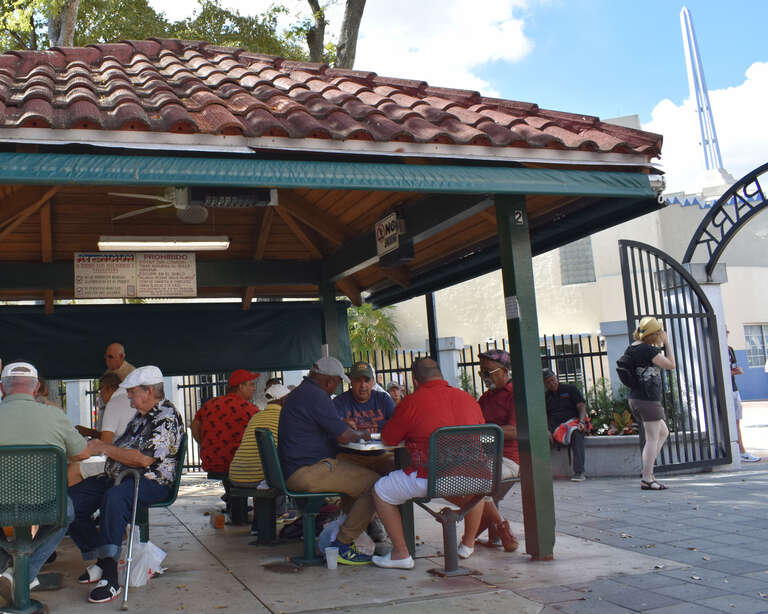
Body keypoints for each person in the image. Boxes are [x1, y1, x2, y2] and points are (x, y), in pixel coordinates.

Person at [68, 365, 184, 603]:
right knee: (69, 503)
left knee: (115, 497)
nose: (128, 396)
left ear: (149, 391)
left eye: (132, 391)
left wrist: (103, 447)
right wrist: (94, 445)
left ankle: (111, 579)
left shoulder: (166, 417)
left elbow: (142, 459)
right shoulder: (140, 417)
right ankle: (102, 560)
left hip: (151, 481)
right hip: (119, 477)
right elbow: (119, 448)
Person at [371, 358, 486, 570]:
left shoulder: (412, 402)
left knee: (381, 491)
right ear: (441, 375)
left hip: (432, 477)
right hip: (477, 476)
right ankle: (468, 544)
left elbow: (389, 440)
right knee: (474, 488)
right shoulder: (468, 399)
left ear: (415, 380)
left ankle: (401, 554)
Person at [0, 361, 102, 591]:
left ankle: (7, 571)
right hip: (45, 504)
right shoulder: (54, 416)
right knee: (66, 512)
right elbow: (83, 453)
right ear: (36, 389)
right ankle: (23, 573)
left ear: (2, 389)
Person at [278, 356, 379, 566]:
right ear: (328, 380)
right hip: (307, 471)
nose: (336, 388)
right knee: (376, 485)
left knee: (356, 480)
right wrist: (362, 434)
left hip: (294, 468)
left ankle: (347, 534)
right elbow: (343, 437)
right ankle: (342, 543)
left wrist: (343, 426)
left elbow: (322, 425)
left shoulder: (300, 393)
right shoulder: (317, 395)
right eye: (336, 382)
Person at [229, 383, 291, 534]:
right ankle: (266, 528)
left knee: (265, 470)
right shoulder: (285, 418)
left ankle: (259, 527)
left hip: (236, 475)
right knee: (287, 475)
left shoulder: (256, 416)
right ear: (284, 401)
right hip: (257, 478)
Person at [473, 349, 519, 551]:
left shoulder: (516, 395)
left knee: (478, 483)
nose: (484, 376)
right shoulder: (485, 398)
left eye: (488, 371)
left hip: (510, 458)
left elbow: (515, 431)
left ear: (505, 371)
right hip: (486, 457)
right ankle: (497, 529)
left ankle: (473, 536)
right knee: (464, 479)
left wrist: (483, 434)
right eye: (481, 372)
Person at [626, 317, 676, 491]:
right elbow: (671, 365)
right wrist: (667, 343)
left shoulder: (632, 347)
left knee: (663, 432)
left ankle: (648, 471)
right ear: (653, 334)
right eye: (658, 333)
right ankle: (647, 478)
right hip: (647, 400)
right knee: (652, 439)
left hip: (636, 398)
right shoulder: (647, 350)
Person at [70, 372, 138, 486]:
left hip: (123, 465)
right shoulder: (129, 398)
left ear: (108, 388)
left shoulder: (113, 404)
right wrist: (89, 432)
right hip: (134, 462)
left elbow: (105, 445)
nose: (100, 395)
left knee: (72, 470)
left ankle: (78, 503)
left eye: (100, 390)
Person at [191, 369, 260, 474]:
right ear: (240, 386)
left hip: (210, 463)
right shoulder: (249, 409)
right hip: (237, 465)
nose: (254, 388)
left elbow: (194, 425)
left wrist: (204, 443)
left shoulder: (210, 404)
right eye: (251, 385)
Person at [334, 361, 396, 476]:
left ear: (372, 382)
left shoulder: (383, 399)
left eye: (366, 380)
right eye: (358, 380)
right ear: (351, 381)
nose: (363, 385)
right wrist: (342, 423)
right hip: (350, 457)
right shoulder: (339, 402)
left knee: (396, 468)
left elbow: (398, 424)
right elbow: (333, 430)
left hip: (381, 454)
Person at [543, 368, 589, 482]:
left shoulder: (570, 389)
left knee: (577, 433)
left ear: (556, 378)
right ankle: (542, 473)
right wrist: (546, 430)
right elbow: (543, 416)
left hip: (573, 423)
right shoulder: (545, 396)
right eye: (548, 382)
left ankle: (579, 472)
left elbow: (582, 408)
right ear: (544, 384)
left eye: (553, 380)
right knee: (540, 438)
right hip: (555, 428)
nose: (552, 383)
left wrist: (582, 422)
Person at [727, 330, 759, 462]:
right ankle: (738, 450)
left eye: (727, 331)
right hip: (724, 390)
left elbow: (734, 368)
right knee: (730, 421)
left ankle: (740, 450)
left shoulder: (730, 350)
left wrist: (735, 371)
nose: (727, 333)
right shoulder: (716, 348)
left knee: (737, 420)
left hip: (734, 389)